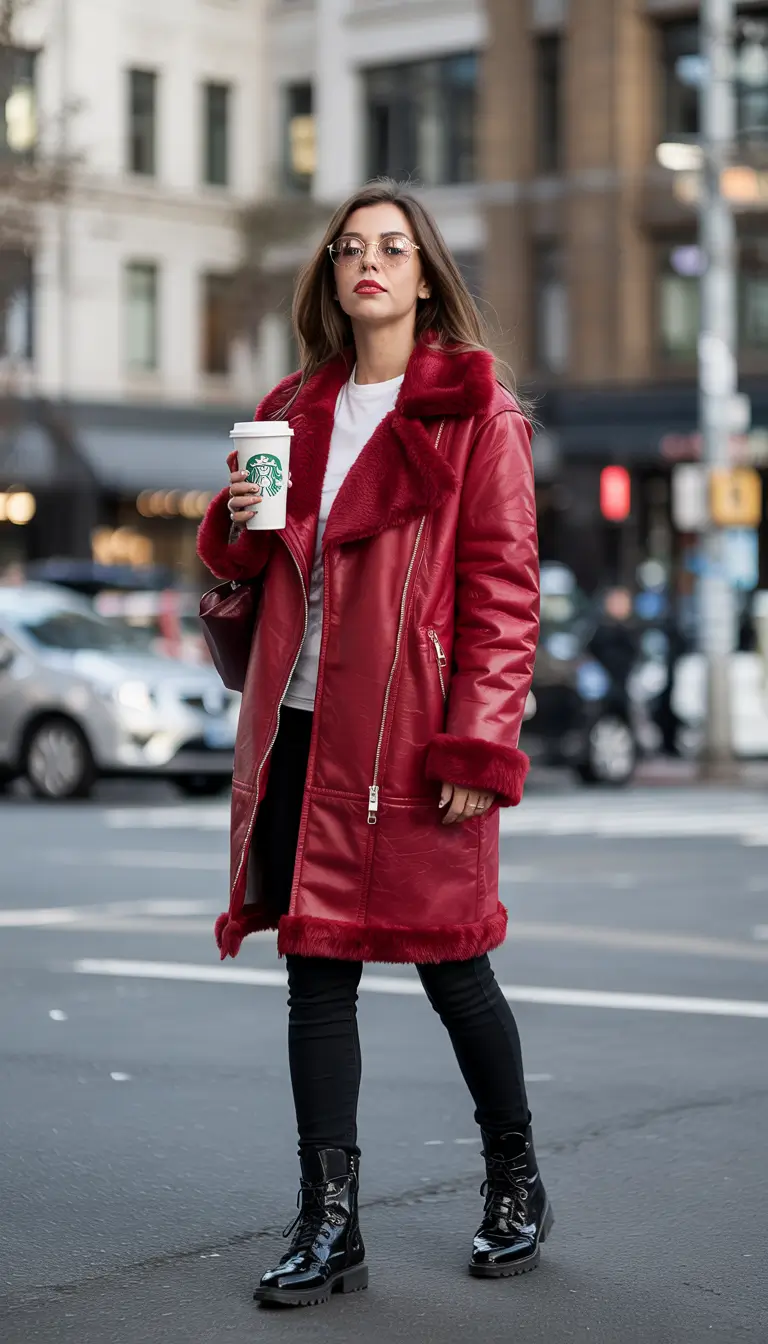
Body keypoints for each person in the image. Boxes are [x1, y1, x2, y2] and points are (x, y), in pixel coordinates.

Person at [197, 179, 548, 1308]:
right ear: (334, 275)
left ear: (425, 274)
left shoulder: (473, 412)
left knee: (455, 968)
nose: (370, 264)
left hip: (413, 745)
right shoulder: (294, 407)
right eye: (352, 247)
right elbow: (250, 572)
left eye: (393, 248)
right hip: (300, 730)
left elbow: (503, 593)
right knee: (317, 978)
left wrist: (476, 746)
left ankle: (515, 1181)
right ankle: (329, 1225)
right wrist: (239, 530)